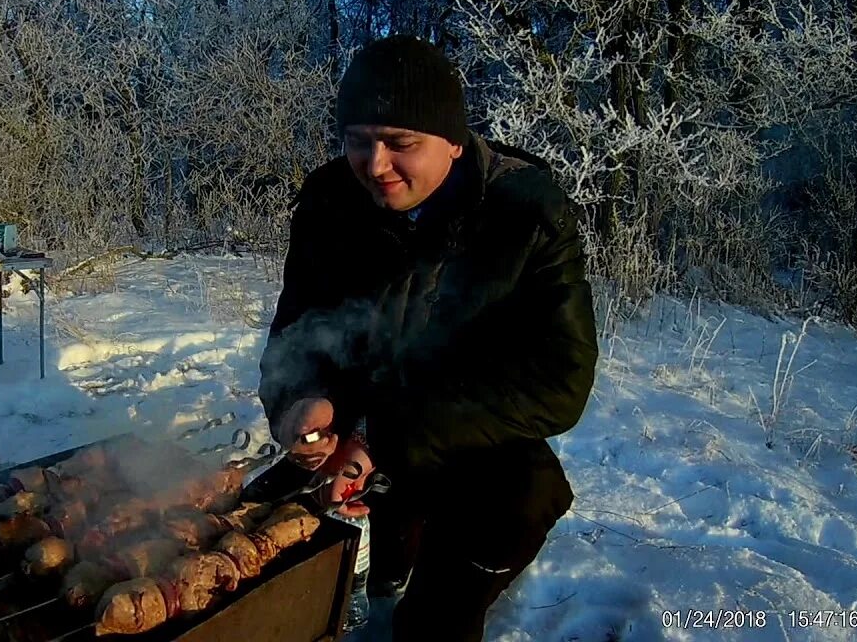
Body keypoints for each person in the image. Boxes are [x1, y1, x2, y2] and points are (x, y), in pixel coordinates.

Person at [252, 35, 599, 640]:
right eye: (358, 141)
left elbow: (560, 382)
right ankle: (381, 581)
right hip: (359, 410)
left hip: (465, 420)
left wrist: (384, 438)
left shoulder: (524, 212)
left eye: (400, 144)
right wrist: (298, 403)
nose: (376, 164)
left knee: (522, 495)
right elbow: (297, 333)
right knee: (250, 519)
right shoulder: (330, 201)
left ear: (454, 143)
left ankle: (436, 613)